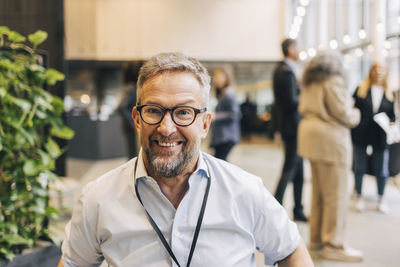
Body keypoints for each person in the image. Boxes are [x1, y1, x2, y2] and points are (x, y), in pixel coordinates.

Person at [58, 52, 313, 267]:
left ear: (204, 124)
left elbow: (291, 250)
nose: (166, 128)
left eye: (183, 112)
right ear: (137, 119)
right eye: (154, 111)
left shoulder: (245, 191)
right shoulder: (98, 198)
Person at [297, 52, 362, 262]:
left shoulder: (310, 81)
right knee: (336, 195)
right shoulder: (333, 81)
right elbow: (342, 112)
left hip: (310, 136)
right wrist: (356, 113)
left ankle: (316, 241)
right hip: (330, 140)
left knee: (319, 194)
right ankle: (334, 244)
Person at [351, 62, 395, 214]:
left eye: (381, 70)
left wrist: (391, 123)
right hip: (361, 134)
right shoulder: (361, 89)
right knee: (359, 167)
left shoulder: (390, 93)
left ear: (386, 73)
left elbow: (393, 116)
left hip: (380, 136)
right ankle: (358, 196)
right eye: (375, 70)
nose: (378, 73)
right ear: (371, 72)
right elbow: (353, 111)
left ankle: (381, 197)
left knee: (381, 168)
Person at [272, 38, 307, 222]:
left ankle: (298, 210)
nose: (300, 50)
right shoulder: (284, 71)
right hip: (292, 128)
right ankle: (275, 207)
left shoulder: (287, 70)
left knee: (299, 172)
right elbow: (291, 101)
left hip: (294, 127)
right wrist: (306, 97)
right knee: (290, 169)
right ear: (291, 49)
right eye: (298, 47)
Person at [210, 67, 241, 161]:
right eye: (215, 77)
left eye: (219, 77)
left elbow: (235, 114)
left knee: (219, 162)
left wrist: (216, 116)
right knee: (221, 162)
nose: (216, 80)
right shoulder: (222, 93)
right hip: (222, 137)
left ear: (226, 78)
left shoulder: (228, 93)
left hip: (226, 137)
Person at [118, 61, 143, 159]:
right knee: (133, 154)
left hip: (130, 126)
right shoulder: (131, 88)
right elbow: (121, 107)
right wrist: (133, 123)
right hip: (130, 127)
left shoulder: (132, 87)